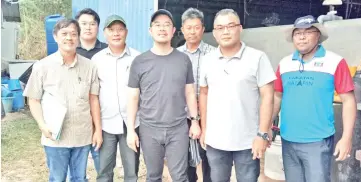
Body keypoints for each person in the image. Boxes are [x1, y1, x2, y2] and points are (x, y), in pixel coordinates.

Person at [272, 15, 356, 182]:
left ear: (318, 36)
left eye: (308, 32)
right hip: (288, 139)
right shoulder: (285, 63)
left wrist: (347, 137)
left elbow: (348, 101)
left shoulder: (334, 62)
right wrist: (267, 126)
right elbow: (277, 96)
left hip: (318, 141)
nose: (302, 37)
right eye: (297, 33)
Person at [199, 9, 275, 182]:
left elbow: (268, 96)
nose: (225, 31)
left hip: (248, 141)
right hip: (216, 140)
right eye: (220, 27)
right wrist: (205, 129)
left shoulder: (257, 58)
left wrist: (262, 133)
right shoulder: (207, 60)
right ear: (215, 32)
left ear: (240, 28)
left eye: (230, 26)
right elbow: (204, 93)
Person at [23, 18, 102, 182]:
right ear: (55, 37)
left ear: (78, 38)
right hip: (55, 137)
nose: (69, 38)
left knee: (79, 178)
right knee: (57, 178)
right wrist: (42, 124)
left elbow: (93, 99)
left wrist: (97, 130)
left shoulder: (90, 66)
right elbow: (34, 99)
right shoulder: (42, 66)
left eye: (73, 34)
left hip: (82, 135)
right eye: (64, 34)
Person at [126, 9, 201, 182]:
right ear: (150, 31)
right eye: (157, 25)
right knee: (153, 176)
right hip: (149, 129)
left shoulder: (183, 60)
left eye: (167, 25)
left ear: (173, 31)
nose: (162, 29)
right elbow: (133, 98)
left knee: (180, 176)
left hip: (178, 128)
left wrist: (194, 122)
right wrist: (131, 130)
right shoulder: (139, 62)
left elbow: (190, 93)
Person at [93, 14, 140, 182]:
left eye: (120, 29)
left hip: (132, 123)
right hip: (106, 124)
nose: (116, 33)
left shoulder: (137, 58)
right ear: (104, 33)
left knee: (132, 171)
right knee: (104, 171)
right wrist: (96, 127)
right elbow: (93, 95)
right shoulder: (97, 60)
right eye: (111, 30)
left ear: (126, 32)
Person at [177, 7, 215, 182]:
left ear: (203, 29)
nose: (192, 31)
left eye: (196, 27)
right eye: (188, 27)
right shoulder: (175, 55)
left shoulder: (214, 54)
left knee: (211, 161)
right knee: (185, 162)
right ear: (182, 29)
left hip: (209, 116)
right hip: (182, 117)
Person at [74, 7, 107, 175]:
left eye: (92, 24)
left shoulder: (107, 50)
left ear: (98, 27)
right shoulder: (70, 51)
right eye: (84, 24)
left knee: (103, 167)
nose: (88, 27)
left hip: (101, 115)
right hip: (76, 117)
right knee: (76, 171)